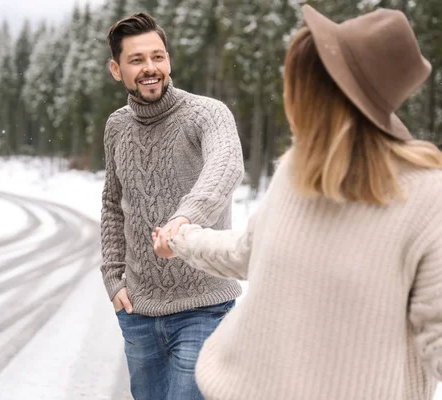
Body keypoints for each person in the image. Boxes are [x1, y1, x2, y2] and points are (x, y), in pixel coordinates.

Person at [159, 5, 442, 400]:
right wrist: (183, 238)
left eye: (305, 83)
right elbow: (247, 252)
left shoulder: (427, 198)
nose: (293, 96)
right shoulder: (297, 171)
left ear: (326, 97)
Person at [100, 12, 244, 400]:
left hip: (205, 309)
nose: (151, 68)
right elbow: (114, 205)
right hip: (140, 315)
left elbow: (226, 165)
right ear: (117, 69)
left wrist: (184, 219)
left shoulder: (206, 113)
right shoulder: (116, 127)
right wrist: (114, 279)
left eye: (158, 56)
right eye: (137, 60)